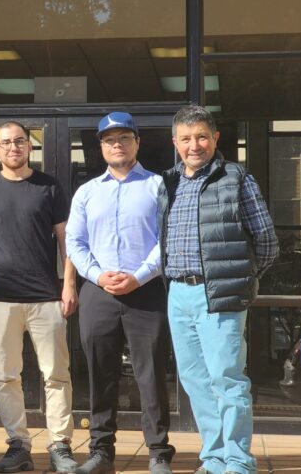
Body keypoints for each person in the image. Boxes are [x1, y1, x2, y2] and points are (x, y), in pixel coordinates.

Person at [159, 105, 278, 474]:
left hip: (221, 294)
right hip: (178, 293)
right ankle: (213, 457)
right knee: (195, 380)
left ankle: (239, 462)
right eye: (186, 138)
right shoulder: (169, 182)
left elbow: (267, 241)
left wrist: (243, 280)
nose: (194, 145)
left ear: (215, 139)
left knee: (227, 378)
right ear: (175, 143)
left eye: (201, 137)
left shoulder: (237, 178)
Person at [66, 112, 175, 474]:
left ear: (137, 142)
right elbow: (75, 243)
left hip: (146, 292)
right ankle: (101, 453)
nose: (117, 144)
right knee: (100, 373)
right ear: (101, 146)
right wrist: (98, 275)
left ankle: (158, 452)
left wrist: (139, 276)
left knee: (151, 373)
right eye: (110, 139)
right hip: (99, 293)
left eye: (124, 137)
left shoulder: (158, 186)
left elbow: (167, 240)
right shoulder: (86, 192)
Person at [0, 121, 79, 474]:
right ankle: (18, 444)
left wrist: (68, 284)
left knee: (56, 375)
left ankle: (60, 445)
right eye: (5, 142)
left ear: (29, 147)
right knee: (6, 376)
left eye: (19, 141)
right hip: (1, 298)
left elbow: (66, 240)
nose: (13, 147)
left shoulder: (48, 186)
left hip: (46, 297)